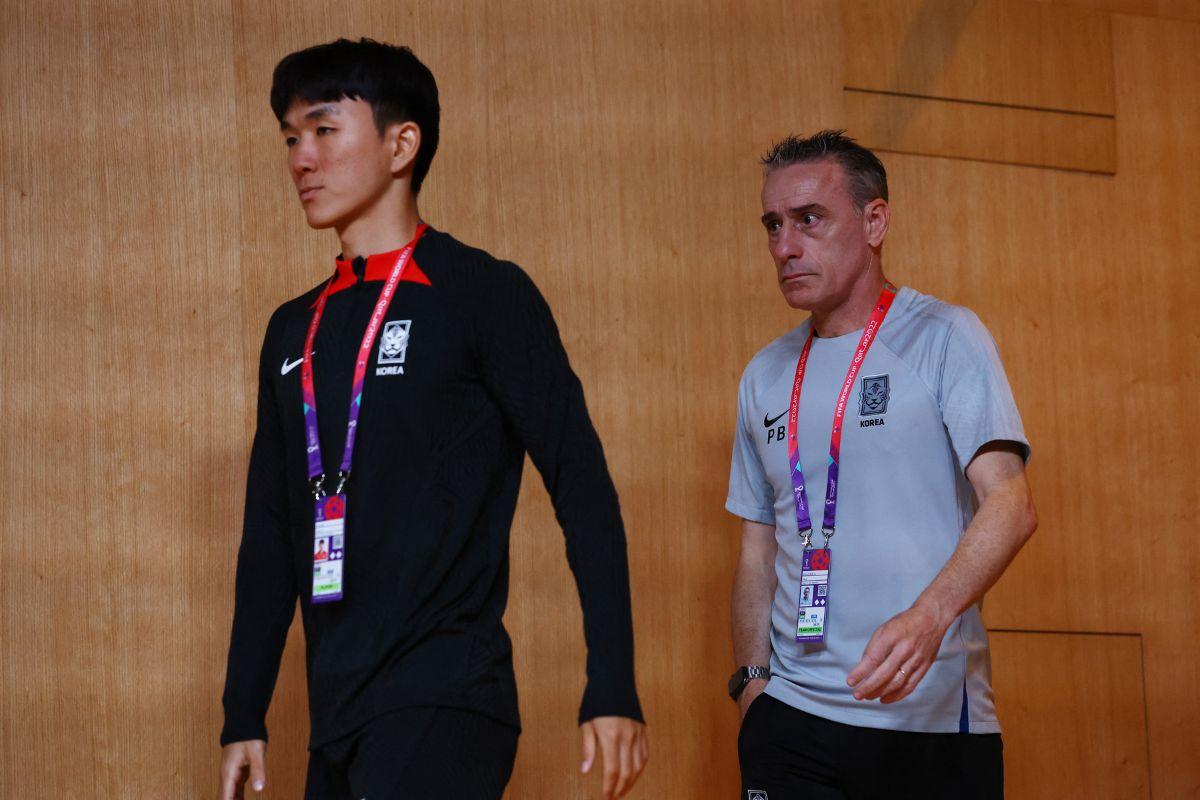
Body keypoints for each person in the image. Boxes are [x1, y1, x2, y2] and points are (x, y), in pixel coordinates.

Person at [218, 38, 647, 800]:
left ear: (401, 143)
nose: (300, 159)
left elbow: (582, 485)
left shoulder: (481, 292)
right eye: (289, 137)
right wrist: (243, 712)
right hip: (338, 714)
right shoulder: (294, 330)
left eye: (323, 130)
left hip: (448, 694)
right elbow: (271, 530)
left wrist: (611, 683)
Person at [726, 130, 1036, 799]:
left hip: (926, 725)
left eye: (809, 219)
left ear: (874, 221)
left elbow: (1010, 504)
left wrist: (927, 619)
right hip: (792, 721)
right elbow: (757, 547)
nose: (785, 246)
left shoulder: (945, 337)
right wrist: (753, 685)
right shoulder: (764, 375)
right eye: (773, 225)